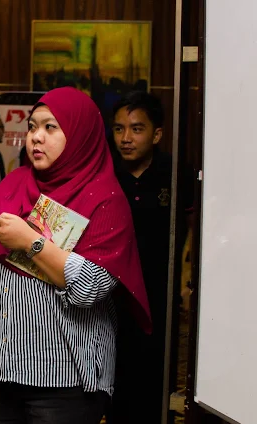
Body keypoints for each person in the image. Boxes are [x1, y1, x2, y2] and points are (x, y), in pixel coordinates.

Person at [0, 87, 151, 424]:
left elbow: (92, 287)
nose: (36, 137)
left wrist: (29, 241)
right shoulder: (15, 182)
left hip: (61, 380)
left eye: (50, 127)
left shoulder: (105, 199)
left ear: (80, 135)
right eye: (32, 126)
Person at [109, 91, 194, 424]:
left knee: (156, 381)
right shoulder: (107, 174)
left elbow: (194, 227)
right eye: (119, 129)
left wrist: (188, 280)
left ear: (156, 134)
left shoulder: (175, 173)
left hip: (161, 293)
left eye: (136, 129)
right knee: (115, 383)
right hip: (112, 294)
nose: (126, 138)